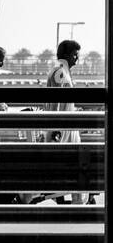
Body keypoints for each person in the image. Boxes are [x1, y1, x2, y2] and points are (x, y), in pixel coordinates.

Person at [42, 39, 89, 205]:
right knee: (73, 164)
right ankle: (77, 202)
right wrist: (55, 128)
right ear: (68, 55)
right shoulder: (61, 73)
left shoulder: (61, 71)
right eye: (75, 54)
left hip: (65, 126)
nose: (77, 58)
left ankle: (73, 199)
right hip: (63, 128)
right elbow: (57, 103)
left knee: (71, 164)